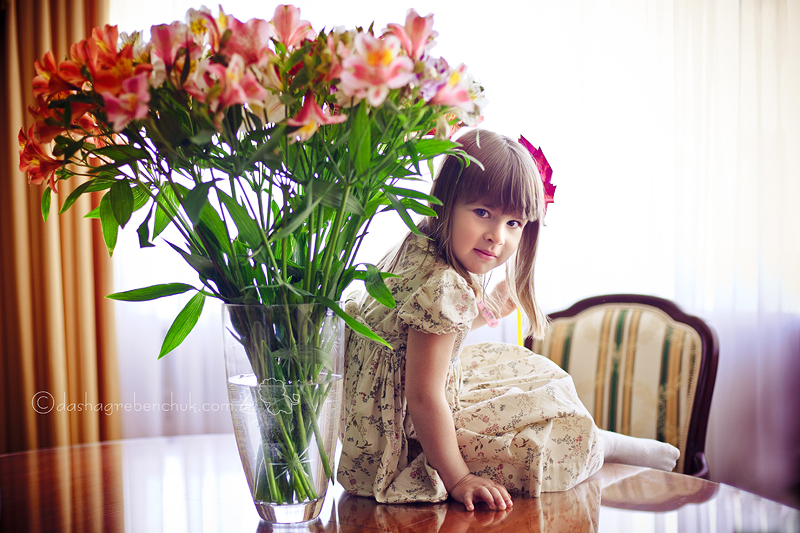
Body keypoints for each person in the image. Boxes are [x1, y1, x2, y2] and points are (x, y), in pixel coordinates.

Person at [337, 129, 680, 511]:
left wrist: (488, 308)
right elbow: (423, 396)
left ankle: (603, 440)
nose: (496, 236)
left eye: (514, 223)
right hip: (404, 431)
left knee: (527, 389)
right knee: (528, 445)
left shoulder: (415, 242)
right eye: (483, 213)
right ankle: (602, 443)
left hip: (380, 416)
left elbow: (420, 332)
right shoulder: (443, 284)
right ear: (444, 202)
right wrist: (459, 478)